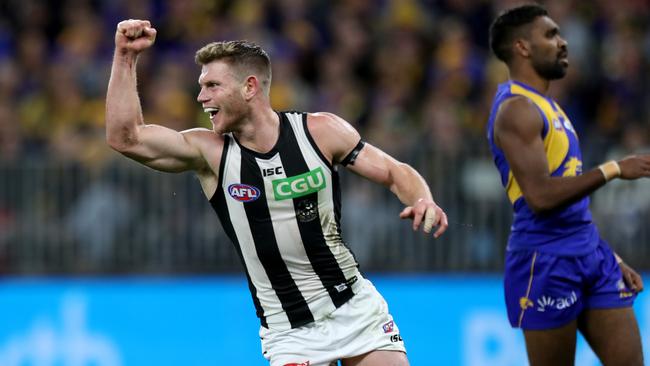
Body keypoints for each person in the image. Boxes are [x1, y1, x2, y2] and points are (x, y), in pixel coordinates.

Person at [105, 19, 448, 366]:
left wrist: (422, 198)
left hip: (355, 308)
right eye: (201, 86)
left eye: (212, 85)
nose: (201, 96)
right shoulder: (210, 153)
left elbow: (393, 171)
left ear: (250, 87)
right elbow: (126, 137)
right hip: (290, 332)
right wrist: (124, 56)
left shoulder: (320, 131)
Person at [487, 4, 650, 366]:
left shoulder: (548, 105)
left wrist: (607, 252)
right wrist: (613, 169)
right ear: (522, 47)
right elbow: (541, 197)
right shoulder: (515, 110)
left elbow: (570, 197)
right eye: (550, 34)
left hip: (590, 254)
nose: (563, 43)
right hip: (545, 260)